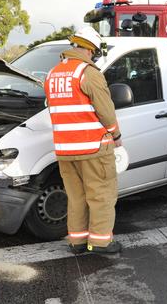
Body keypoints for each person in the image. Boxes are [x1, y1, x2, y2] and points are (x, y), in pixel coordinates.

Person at [44, 26, 122, 254]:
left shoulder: (52, 74)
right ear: (90, 50)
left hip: (65, 150)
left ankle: (77, 242)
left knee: (76, 197)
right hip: (93, 147)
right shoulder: (88, 73)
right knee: (101, 196)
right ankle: (100, 242)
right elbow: (106, 111)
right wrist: (115, 134)